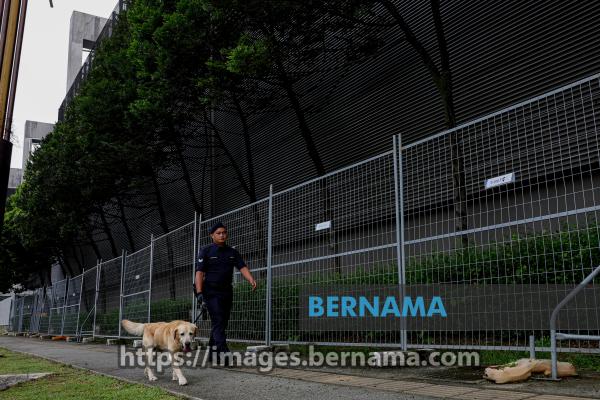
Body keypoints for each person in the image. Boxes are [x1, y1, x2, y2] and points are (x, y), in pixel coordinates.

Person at [194, 222, 256, 363]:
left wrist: (251, 279)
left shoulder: (232, 252)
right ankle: (225, 354)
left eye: (224, 232)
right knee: (218, 320)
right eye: (218, 233)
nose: (222, 235)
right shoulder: (206, 251)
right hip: (211, 291)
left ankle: (212, 354)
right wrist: (199, 292)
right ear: (212, 235)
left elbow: (242, 266)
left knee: (221, 323)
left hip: (227, 292)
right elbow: (199, 273)